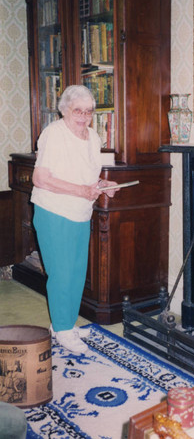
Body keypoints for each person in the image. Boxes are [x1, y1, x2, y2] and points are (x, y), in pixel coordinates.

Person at [31, 85, 119, 354]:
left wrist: (104, 184)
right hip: (54, 211)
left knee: (77, 273)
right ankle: (62, 329)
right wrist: (82, 190)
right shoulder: (53, 134)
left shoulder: (93, 137)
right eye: (77, 110)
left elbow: (88, 177)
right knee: (61, 273)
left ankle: (64, 324)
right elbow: (41, 178)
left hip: (81, 212)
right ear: (65, 110)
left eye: (89, 111)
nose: (83, 116)